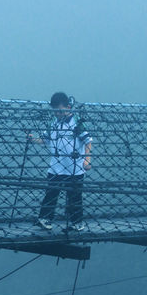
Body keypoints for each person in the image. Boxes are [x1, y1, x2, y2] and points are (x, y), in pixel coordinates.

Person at [31, 92, 92, 232]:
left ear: (68, 107)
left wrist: (87, 160)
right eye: (55, 111)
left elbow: (88, 141)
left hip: (75, 168)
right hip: (56, 167)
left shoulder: (76, 122)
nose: (57, 113)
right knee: (51, 193)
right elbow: (45, 140)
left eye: (60, 110)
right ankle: (45, 220)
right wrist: (33, 139)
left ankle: (77, 223)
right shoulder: (53, 123)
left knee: (74, 197)